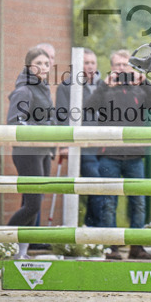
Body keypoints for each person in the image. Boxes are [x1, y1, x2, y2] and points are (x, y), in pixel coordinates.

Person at [89, 50, 151, 260]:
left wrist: (144, 82)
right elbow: (89, 107)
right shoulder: (104, 89)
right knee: (108, 203)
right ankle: (111, 248)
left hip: (135, 156)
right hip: (108, 155)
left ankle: (136, 247)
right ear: (111, 67)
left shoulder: (140, 90)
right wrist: (105, 85)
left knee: (138, 203)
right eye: (118, 65)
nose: (122, 69)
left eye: (125, 65)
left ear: (132, 68)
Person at [5, 46, 56, 258]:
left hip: (43, 151)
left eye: (46, 63)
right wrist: (45, 127)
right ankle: (2, 243)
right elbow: (15, 122)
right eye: (38, 63)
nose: (43, 67)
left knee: (33, 204)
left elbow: (49, 119)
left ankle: (21, 252)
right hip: (27, 153)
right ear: (28, 66)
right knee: (32, 206)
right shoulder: (25, 90)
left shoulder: (43, 88)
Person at [55, 48, 108, 228]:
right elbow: (61, 116)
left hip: (103, 146)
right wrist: (63, 144)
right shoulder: (66, 87)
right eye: (86, 63)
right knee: (95, 186)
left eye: (93, 62)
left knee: (102, 188)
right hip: (82, 145)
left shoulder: (104, 86)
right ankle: (95, 230)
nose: (90, 66)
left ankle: (91, 228)